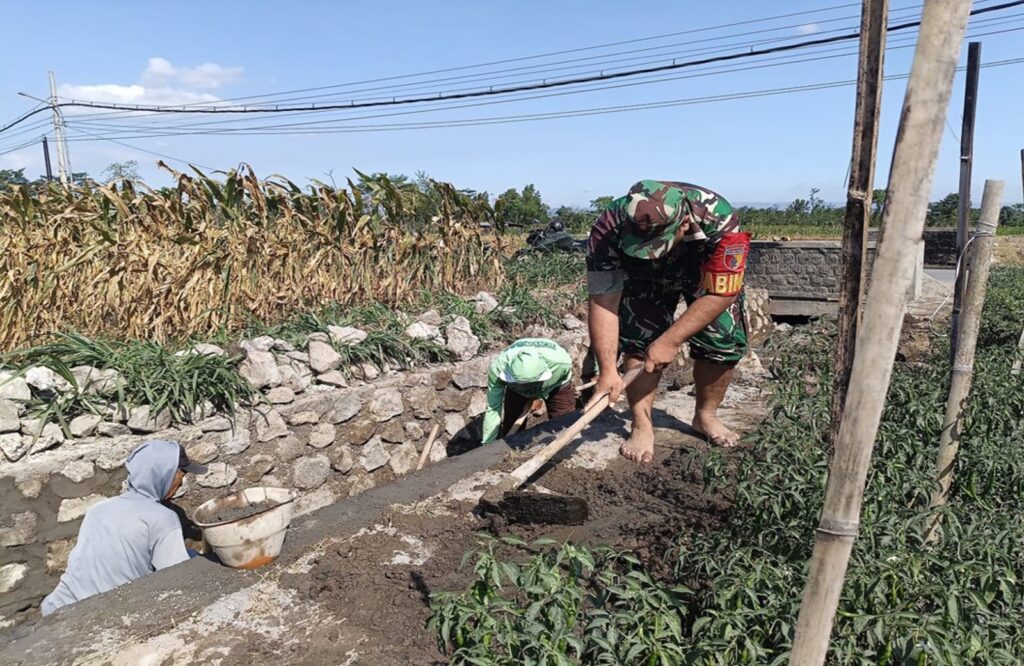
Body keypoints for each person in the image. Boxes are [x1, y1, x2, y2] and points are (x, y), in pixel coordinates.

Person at [585, 180, 751, 463]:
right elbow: (604, 300)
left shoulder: (719, 218)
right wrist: (608, 370)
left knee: (723, 340)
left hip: (702, 272)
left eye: (655, 245)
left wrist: (671, 340)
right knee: (639, 339)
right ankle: (641, 424)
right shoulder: (608, 226)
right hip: (642, 276)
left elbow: (723, 292)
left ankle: (705, 415)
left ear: (684, 224)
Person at [41, 439, 207, 616]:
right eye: (180, 475)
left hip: (57, 606)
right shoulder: (163, 519)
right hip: (97, 616)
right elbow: (179, 577)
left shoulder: (98, 509)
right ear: (163, 475)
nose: (181, 484)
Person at [481, 338, 575, 444]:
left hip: (556, 385)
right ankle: (511, 448)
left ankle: (563, 449)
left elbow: (560, 378)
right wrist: (487, 444)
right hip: (516, 390)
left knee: (563, 422)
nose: (527, 386)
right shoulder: (498, 368)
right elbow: (493, 408)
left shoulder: (560, 363)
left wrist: (541, 395)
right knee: (511, 424)